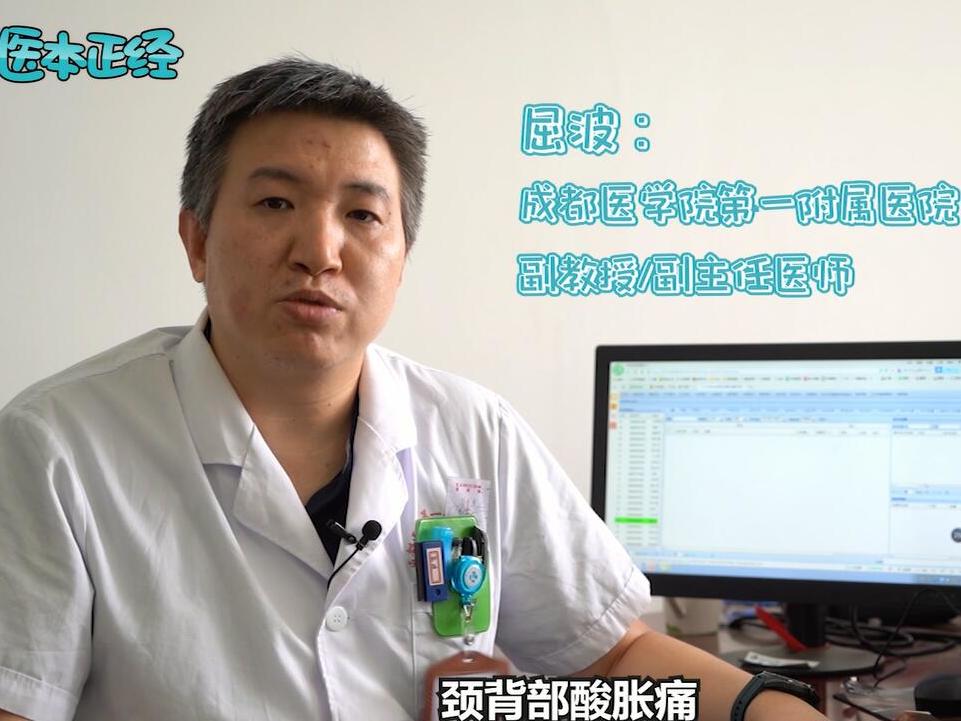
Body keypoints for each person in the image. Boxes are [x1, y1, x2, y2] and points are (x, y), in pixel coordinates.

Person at [0, 58, 827, 721]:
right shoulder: (55, 447)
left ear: (400, 260)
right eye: (276, 201)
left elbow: (614, 654)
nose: (319, 250)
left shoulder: (474, 429)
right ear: (196, 239)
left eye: (362, 215)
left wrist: (772, 708)